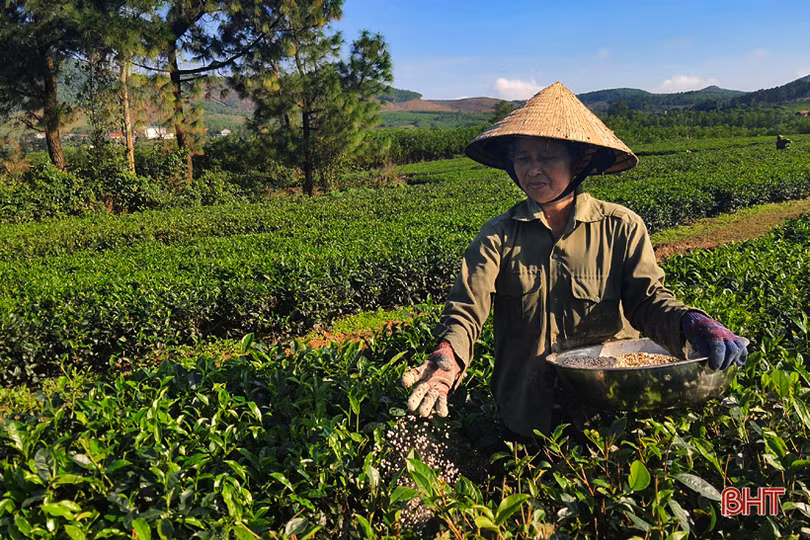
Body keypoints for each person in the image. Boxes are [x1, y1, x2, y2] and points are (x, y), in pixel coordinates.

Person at [401, 82, 749, 440]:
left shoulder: (620, 227)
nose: (533, 169)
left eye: (548, 156)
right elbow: (466, 310)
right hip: (527, 415)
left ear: (578, 161)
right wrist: (449, 355)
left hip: (611, 411)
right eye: (523, 158)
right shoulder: (497, 236)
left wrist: (691, 323)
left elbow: (648, 301)